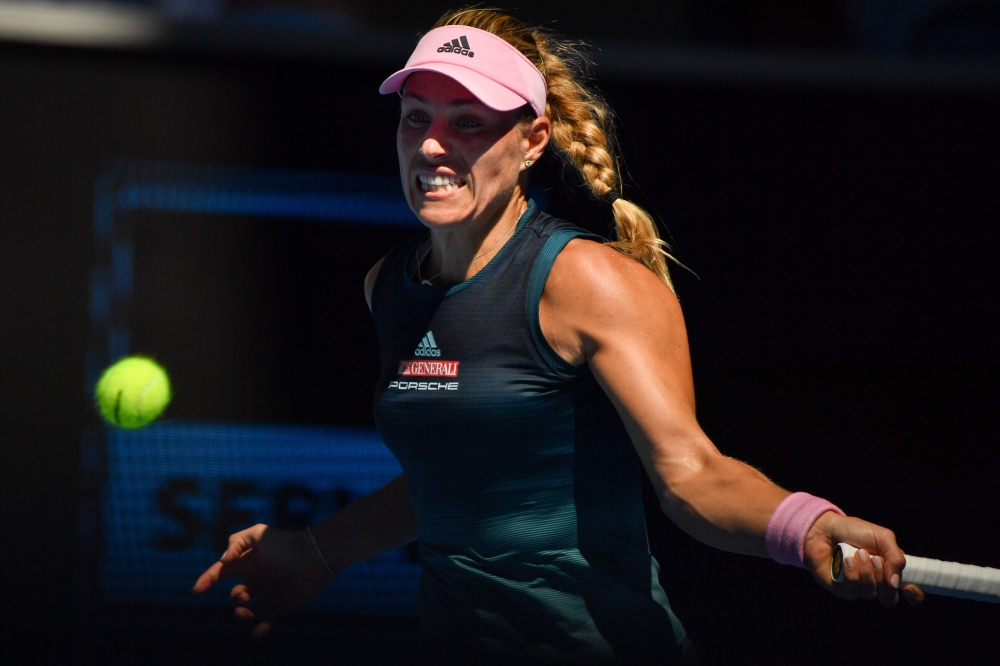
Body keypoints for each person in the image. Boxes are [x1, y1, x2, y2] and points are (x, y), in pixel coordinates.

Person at [193, 8, 923, 664]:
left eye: (469, 122)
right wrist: (317, 551)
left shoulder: (590, 283)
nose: (432, 147)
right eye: (417, 117)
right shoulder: (387, 286)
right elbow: (459, 478)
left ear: (533, 139)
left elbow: (691, 474)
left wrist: (805, 527)